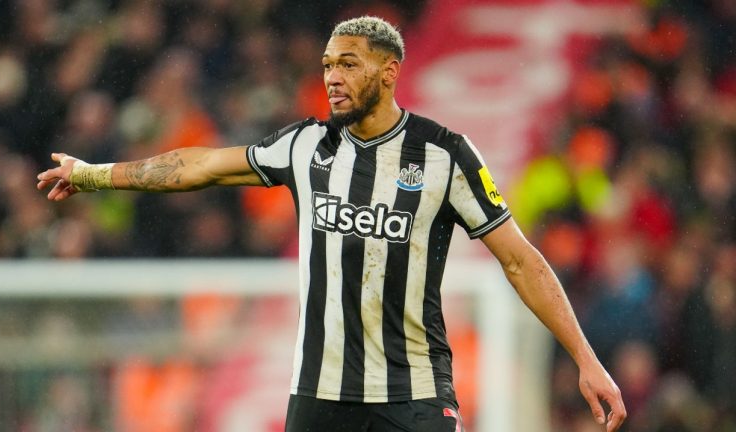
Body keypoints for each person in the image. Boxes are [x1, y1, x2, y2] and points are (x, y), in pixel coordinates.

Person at [37, 16, 626, 432]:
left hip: (416, 395)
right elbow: (200, 166)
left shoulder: (445, 155)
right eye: (326, 65)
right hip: (321, 397)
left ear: (389, 71)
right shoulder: (305, 146)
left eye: (348, 63)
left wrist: (586, 359)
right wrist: (95, 175)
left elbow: (520, 259)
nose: (333, 77)